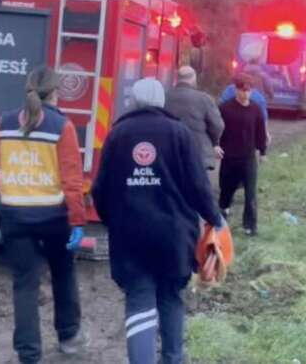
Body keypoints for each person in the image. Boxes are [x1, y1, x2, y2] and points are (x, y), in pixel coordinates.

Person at [92, 78, 226, 364]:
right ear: (161, 102)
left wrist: (113, 221)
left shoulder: (117, 134)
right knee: (171, 296)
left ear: (133, 102)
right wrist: (215, 218)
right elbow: (198, 185)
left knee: (139, 301)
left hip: (130, 236)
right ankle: (172, 359)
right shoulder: (179, 133)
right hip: (174, 235)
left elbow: (100, 190)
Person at [0, 66, 87, 364]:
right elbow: (72, 180)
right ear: (55, 92)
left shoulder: (5, 122)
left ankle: (28, 354)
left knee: (24, 283)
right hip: (53, 217)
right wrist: (78, 221)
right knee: (63, 272)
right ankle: (69, 338)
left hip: (14, 215)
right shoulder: (62, 126)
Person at [217, 73, 268, 236]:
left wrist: (263, 151)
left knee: (250, 193)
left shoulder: (255, 109)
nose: (246, 94)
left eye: (248, 91)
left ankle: (250, 226)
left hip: (248, 157)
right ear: (236, 90)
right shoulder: (225, 109)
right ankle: (222, 218)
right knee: (226, 190)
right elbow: (216, 129)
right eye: (243, 91)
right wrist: (215, 145)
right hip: (229, 157)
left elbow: (260, 131)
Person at [163, 66, 224, 189]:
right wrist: (214, 142)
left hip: (170, 152)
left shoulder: (165, 96)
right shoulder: (203, 98)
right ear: (193, 79)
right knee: (197, 190)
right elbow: (218, 125)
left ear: (177, 79)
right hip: (198, 154)